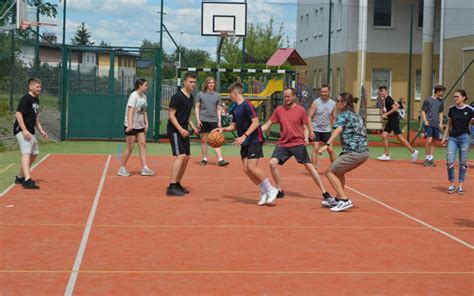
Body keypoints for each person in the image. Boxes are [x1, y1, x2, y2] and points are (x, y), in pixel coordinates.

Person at [261, 88, 333, 201]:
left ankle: (324, 192)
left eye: (288, 96)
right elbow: (268, 124)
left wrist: (305, 137)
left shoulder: (300, 110)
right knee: (272, 163)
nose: (286, 99)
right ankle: (279, 189)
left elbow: (305, 127)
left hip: (297, 143)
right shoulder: (279, 110)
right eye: (284, 97)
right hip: (283, 143)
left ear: (294, 97)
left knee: (309, 167)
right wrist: (257, 131)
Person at [216, 81, 278, 206]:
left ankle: (271, 189)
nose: (229, 97)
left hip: (254, 139)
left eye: (230, 94)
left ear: (235, 93)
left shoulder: (247, 105)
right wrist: (223, 129)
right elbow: (234, 126)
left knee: (251, 167)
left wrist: (244, 136)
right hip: (245, 141)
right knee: (246, 169)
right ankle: (264, 191)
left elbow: (255, 122)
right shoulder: (235, 108)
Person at [318, 92, 369, 212]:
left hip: (354, 152)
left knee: (329, 172)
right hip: (363, 153)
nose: (336, 103)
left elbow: (338, 130)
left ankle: (344, 200)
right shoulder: (356, 116)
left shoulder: (343, 115)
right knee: (339, 173)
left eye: (338, 100)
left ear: (344, 103)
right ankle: (338, 198)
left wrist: (327, 144)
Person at [166, 72, 199, 196]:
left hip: (184, 129)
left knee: (186, 157)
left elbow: (187, 116)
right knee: (180, 156)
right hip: (175, 130)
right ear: (185, 82)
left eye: (195, 82)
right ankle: (171, 186)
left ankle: (178, 183)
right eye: (191, 82)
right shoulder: (177, 96)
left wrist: (193, 126)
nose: (193, 84)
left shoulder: (190, 97)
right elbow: (171, 114)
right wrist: (180, 129)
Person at [13, 77, 48, 189]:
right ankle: (27, 180)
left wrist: (41, 130)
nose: (40, 88)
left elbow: (35, 117)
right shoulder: (26, 99)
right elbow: (18, 114)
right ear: (30, 87)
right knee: (26, 153)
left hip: (31, 131)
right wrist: (24, 130)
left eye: (40, 86)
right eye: (37, 86)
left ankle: (20, 177)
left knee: (34, 154)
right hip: (22, 130)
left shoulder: (36, 100)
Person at [117, 79, 155, 177]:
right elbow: (130, 110)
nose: (147, 87)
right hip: (131, 124)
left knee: (142, 144)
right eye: (146, 85)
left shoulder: (144, 97)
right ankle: (122, 168)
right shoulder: (133, 96)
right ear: (140, 86)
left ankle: (145, 168)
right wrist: (130, 124)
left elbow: (143, 110)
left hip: (140, 124)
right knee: (130, 146)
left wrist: (146, 122)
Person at [376, 86, 418, 162]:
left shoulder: (388, 99)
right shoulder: (387, 99)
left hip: (394, 120)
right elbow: (398, 105)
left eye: (382, 91)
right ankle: (386, 155)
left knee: (399, 137)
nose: (380, 92)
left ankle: (413, 151)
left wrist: (386, 114)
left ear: (386, 91)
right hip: (391, 120)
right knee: (384, 135)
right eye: (380, 91)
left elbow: (395, 108)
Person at [441, 89, 472, 195]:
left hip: (465, 138)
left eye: (457, 96)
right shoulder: (452, 109)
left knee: (463, 163)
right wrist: (445, 137)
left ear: (463, 97)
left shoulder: (470, 109)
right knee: (450, 161)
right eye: (454, 97)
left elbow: (472, 123)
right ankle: (452, 185)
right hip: (452, 138)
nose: (455, 98)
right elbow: (449, 124)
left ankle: (460, 186)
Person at [195, 77, 229, 167]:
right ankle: (204, 159)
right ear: (206, 84)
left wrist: (219, 122)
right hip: (203, 119)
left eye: (213, 83)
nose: (211, 84)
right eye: (209, 83)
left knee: (216, 139)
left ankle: (220, 159)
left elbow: (218, 109)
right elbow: (197, 107)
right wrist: (198, 120)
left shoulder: (217, 95)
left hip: (213, 120)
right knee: (203, 140)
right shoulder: (200, 94)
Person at [307, 84, 336, 167]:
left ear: (329, 92)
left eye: (325, 92)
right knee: (315, 148)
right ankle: (314, 168)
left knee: (330, 149)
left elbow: (334, 117)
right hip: (316, 129)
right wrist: (311, 131)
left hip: (326, 130)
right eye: (322, 91)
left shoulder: (333, 103)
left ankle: (335, 168)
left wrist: (333, 129)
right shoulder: (316, 103)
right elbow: (309, 117)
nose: (323, 93)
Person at [421, 85, 446, 167]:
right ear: (437, 91)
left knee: (434, 141)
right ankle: (427, 158)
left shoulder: (440, 101)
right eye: (442, 91)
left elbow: (441, 112)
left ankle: (431, 158)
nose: (442, 93)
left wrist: (441, 123)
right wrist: (425, 120)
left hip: (436, 124)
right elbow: (423, 111)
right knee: (429, 140)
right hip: (429, 123)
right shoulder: (428, 100)